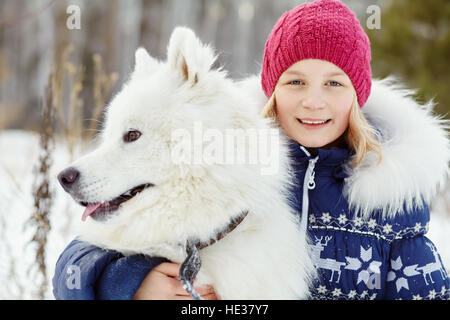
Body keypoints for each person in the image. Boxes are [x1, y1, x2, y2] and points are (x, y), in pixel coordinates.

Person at [53, 0, 450, 300]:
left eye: (334, 83)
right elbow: (75, 265)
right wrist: (133, 284)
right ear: (271, 89)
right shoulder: (236, 169)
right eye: (295, 82)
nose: (314, 101)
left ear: (357, 95)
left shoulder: (393, 197)